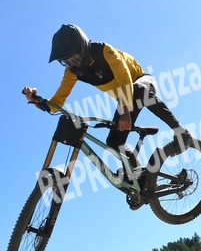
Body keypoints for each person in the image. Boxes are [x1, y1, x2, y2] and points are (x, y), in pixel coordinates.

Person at [23, 24, 190, 167]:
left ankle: (182, 132)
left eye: (76, 57)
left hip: (141, 81)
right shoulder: (71, 72)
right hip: (125, 99)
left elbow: (124, 77)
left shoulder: (104, 51)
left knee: (138, 88)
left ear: (83, 47)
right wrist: (37, 100)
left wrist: (125, 110)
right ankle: (140, 177)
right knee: (114, 142)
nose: (74, 63)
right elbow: (57, 102)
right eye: (68, 61)